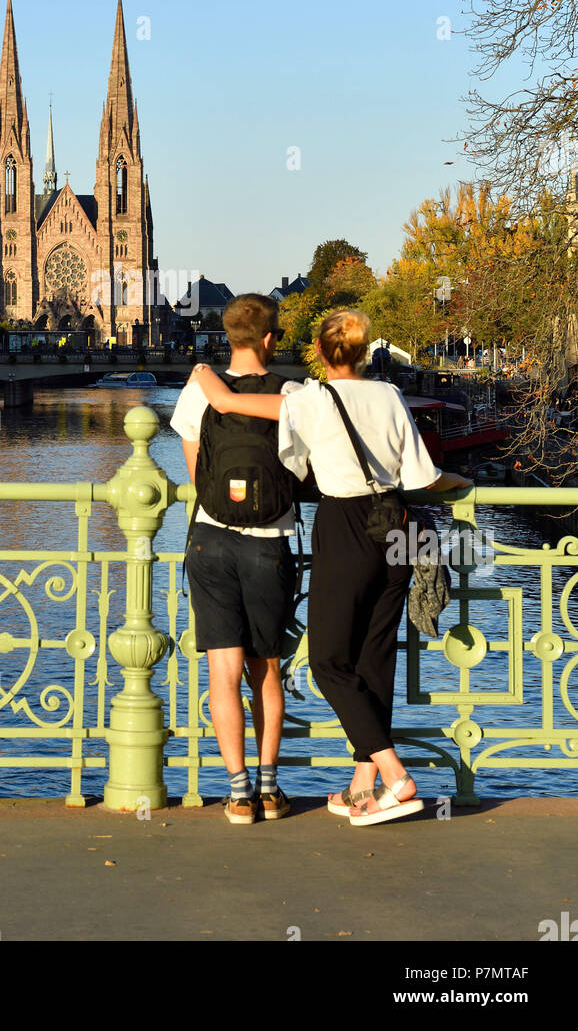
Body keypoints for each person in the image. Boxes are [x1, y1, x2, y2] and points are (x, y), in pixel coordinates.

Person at [192, 309, 472, 827]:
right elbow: (422, 475)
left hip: (344, 525)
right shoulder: (389, 395)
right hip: (397, 525)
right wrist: (454, 482)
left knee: (326, 662)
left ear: (319, 354)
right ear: (365, 353)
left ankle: (394, 775)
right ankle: (364, 787)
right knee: (375, 657)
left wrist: (202, 371)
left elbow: (227, 401)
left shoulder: (310, 399)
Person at [171, 293, 302, 824]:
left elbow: (196, 473)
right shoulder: (292, 394)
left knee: (221, 671)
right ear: (270, 339)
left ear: (227, 338)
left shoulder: (197, 392)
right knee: (265, 668)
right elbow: (300, 471)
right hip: (268, 542)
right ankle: (271, 789)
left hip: (211, 540)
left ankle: (238, 794)